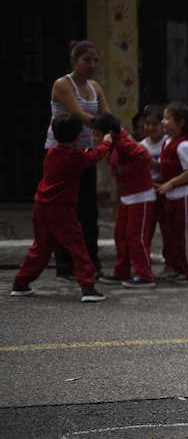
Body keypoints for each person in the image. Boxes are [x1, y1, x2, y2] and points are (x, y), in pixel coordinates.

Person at [11, 113, 109, 302]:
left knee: (40, 248)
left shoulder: (52, 153)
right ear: (78, 136)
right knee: (77, 247)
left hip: (41, 207)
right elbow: (95, 156)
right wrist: (106, 142)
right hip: (61, 210)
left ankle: (21, 283)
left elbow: (84, 156)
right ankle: (88, 287)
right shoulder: (76, 157)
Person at [45, 40, 111, 280]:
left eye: (95, 60)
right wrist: (108, 128)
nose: (92, 65)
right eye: (87, 60)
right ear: (75, 61)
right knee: (64, 211)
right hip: (60, 155)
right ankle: (65, 266)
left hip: (84, 154)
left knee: (88, 211)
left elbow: (106, 113)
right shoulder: (63, 84)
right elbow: (81, 115)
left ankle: (92, 262)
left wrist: (116, 130)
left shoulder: (95, 87)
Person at [91, 114, 157, 288]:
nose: (94, 138)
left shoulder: (123, 143)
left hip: (141, 196)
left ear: (109, 133)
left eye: (97, 134)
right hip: (128, 196)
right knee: (121, 234)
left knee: (136, 237)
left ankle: (145, 275)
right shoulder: (117, 141)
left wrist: (122, 170)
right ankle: (122, 271)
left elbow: (144, 157)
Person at [158, 101, 188, 284]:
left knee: (187, 237)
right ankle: (178, 268)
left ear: (181, 122)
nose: (163, 122)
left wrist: (170, 183)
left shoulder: (184, 145)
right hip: (173, 197)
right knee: (174, 236)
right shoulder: (166, 142)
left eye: (167, 118)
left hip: (186, 196)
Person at [138, 104, 171, 275]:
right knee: (147, 229)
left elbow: (171, 167)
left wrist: (154, 164)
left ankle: (170, 263)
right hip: (148, 192)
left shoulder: (168, 143)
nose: (150, 127)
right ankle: (144, 264)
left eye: (154, 124)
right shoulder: (141, 146)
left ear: (162, 125)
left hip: (166, 191)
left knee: (168, 229)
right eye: (147, 124)